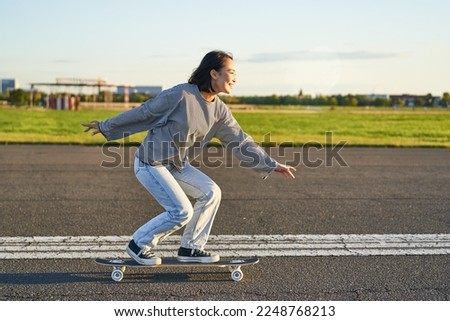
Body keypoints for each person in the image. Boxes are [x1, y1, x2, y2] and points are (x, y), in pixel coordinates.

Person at [82, 50, 295, 265]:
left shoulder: (219, 111)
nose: (235, 78)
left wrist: (271, 164)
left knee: (211, 192)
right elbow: (145, 113)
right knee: (181, 211)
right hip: (150, 163)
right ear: (214, 73)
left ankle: (191, 248)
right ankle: (139, 244)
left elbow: (239, 141)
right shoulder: (181, 95)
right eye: (230, 72)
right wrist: (106, 126)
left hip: (176, 165)